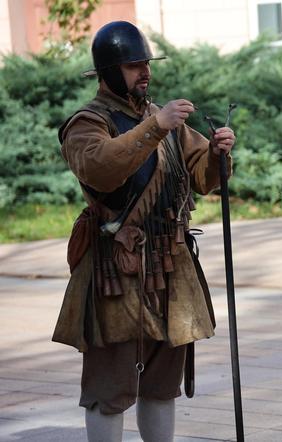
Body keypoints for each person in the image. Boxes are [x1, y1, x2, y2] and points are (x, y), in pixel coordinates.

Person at [52, 21, 235, 441]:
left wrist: (218, 152)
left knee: (160, 385)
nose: (144, 73)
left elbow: (205, 178)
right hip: (116, 268)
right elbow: (100, 168)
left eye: (146, 64)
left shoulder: (160, 119)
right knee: (109, 388)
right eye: (134, 66)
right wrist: (157, 127)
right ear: (110, 72)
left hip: (170, 265)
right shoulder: (88, 123)